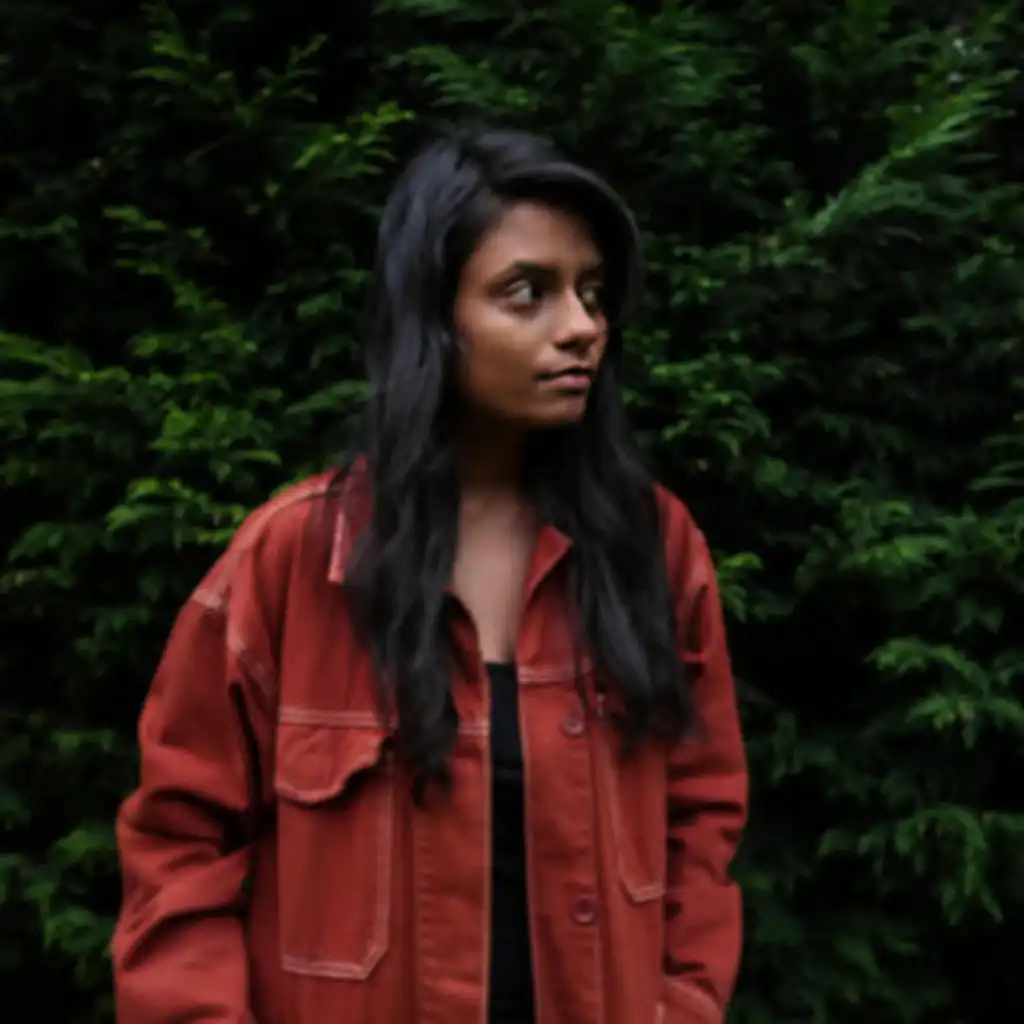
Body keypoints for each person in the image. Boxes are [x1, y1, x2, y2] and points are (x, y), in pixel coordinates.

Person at [111, 126, 748, 1024]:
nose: (582, 327)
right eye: (527, 292)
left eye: (593, 292)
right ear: (434, 320)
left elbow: (701, 818)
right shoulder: (296, 563)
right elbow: (177, 850)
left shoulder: (655, 550)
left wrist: (680, 1005)